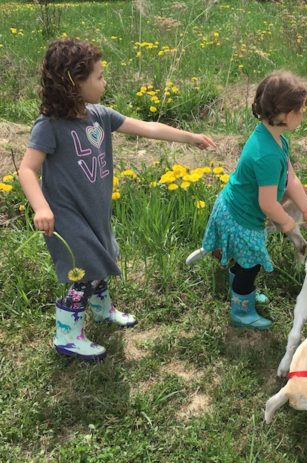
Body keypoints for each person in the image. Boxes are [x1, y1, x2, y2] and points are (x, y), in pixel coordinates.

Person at [18, 38, 216, 361]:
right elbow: (27, 169)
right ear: (73, 83)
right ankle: (67, 334)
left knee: (103, 256)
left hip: (95, 211)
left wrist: (189, 138)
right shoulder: (49, 126)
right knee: (83, 271)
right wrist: (41, 206)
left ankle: (101, 309)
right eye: (98, 76)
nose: (104, 81)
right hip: (67, 216)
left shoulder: (99, 116)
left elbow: (148, 128)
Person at [202, 70, 307, 330]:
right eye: (302, 110)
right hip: (241, 218)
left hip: (238, 209)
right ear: (288, 115)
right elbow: (267, 204)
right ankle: (241, 309)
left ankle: (242, 291)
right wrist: (289, 225)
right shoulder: (265, 154)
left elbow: (290, 178)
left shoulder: (275, 139)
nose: (303, 115)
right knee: (250, 266)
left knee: (245, 262)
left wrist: (306, 208)